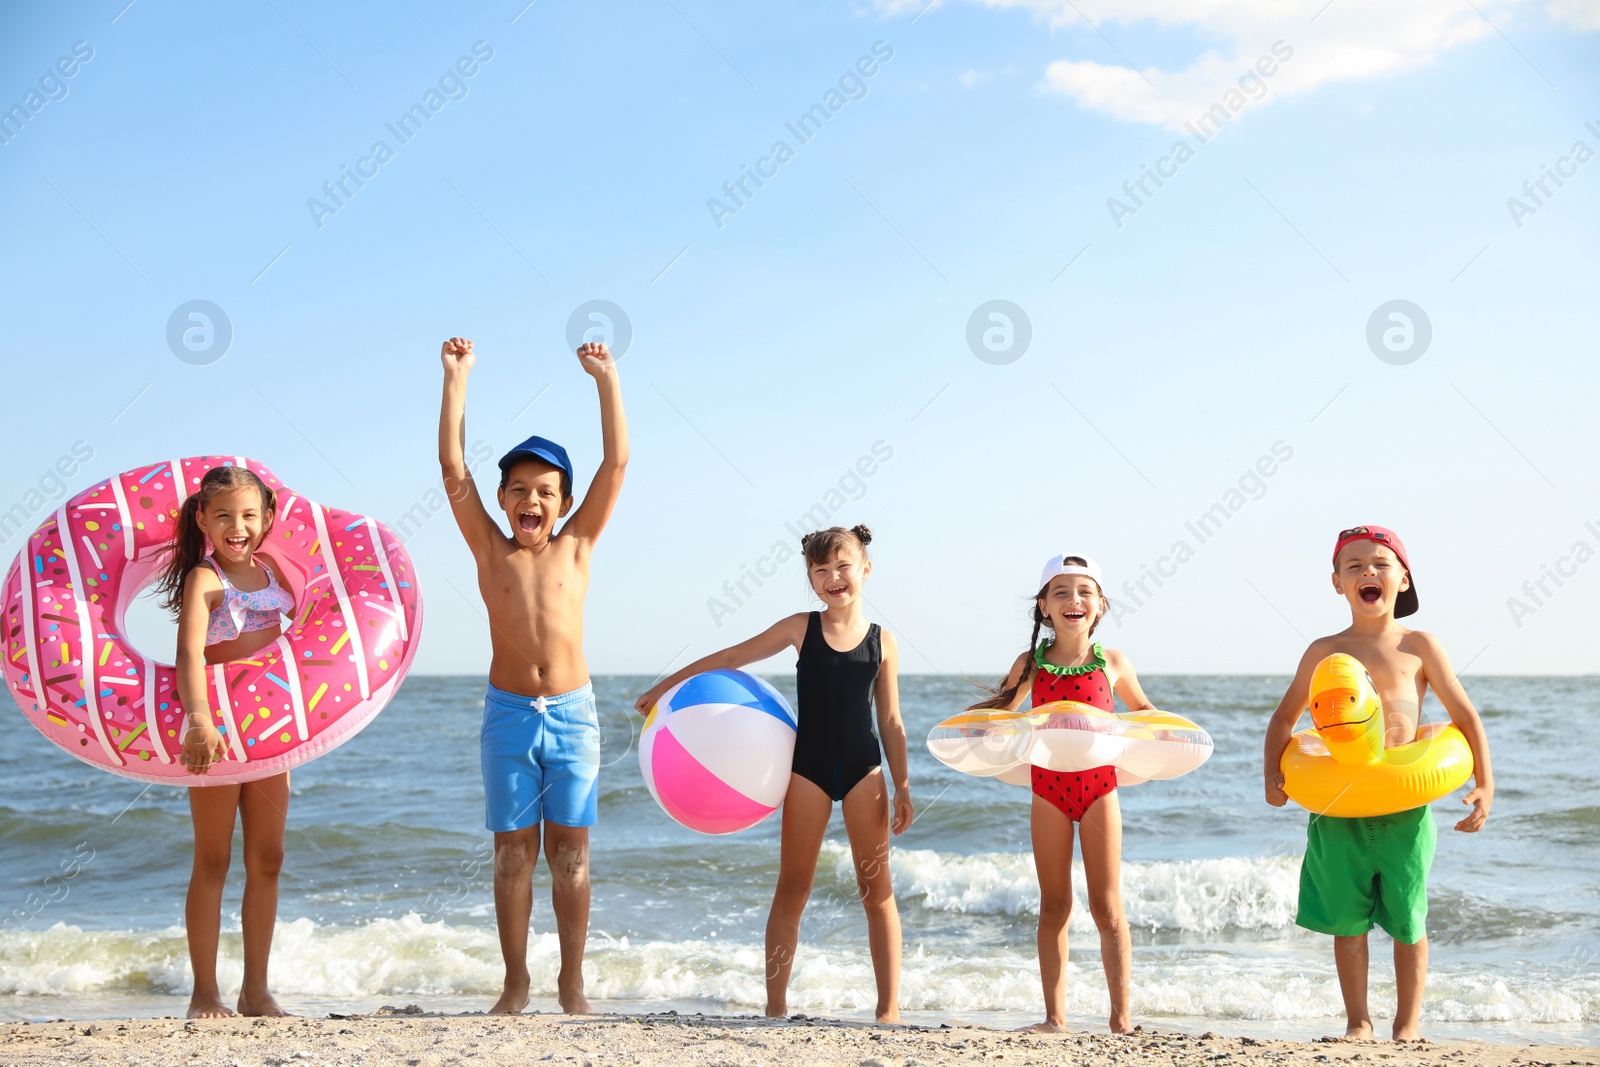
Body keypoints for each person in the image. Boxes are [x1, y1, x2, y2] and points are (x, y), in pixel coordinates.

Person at [634, 525, 914, 1023]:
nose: (833, 578)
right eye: (820, 570)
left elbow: (890, 721)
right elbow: (732, 657)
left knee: (878, 891)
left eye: (843, 566)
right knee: (793, 888)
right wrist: (667, 686)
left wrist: (903, 785)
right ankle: (775, 1007)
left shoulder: (883, 642)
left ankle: (888, 1010)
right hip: (806, 770)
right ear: (811, 578)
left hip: (864, 771)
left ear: (865, 569)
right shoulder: (800, 628)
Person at [438, 335, 628, 1015]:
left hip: (574, 716)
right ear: (502, 497)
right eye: (518, 489)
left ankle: (570, 981)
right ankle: (515, 981)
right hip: (510, 715)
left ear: (563, 502)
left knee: (570, 856)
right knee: (512, 856)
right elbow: (452, 468)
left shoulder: (577, 544)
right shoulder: (490, 548)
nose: (531, 500)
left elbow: (617, 460)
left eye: (545, 491)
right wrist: (457, 377)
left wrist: (605, 378)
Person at [1263, 526, 1493, 1042]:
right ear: (1337, 583)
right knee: (1348, 923)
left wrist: (1485, 784)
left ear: (1403, 578)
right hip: (1338, 806)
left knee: (1409, 919)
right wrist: (1272, 776)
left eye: (1381, 564)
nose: (1369, 572)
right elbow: (1283, 720)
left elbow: (1467, 718)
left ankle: (1407, 1024)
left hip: (1403, 807)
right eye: (1355, 565)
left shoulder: (1420, 646)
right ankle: (1358, 1022)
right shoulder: (1325, 650)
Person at [970, 554, 1152, 1034]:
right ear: (1044, 607)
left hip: (1100, 788)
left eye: (1084, 591)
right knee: (1055, 905)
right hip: (1048, 788)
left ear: (1101, 605)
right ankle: (1053, 1017)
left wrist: (1165, 738)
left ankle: (1121, 1017)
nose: (1074, 600)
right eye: (1062, 592)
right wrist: (973, 737)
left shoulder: (1113, 663)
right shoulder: (1031, 664)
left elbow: (1146, 713)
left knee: (1106, 905)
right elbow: (1004, 715)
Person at [154, 464, 297, 1019]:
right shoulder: (205, 580)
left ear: (265, 520)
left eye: (247, 515)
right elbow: (189, 652)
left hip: (270, 736)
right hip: (215, 733)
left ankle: (255, 990)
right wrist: (198, 719)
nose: (237, 527)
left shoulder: (276, 571)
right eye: (223, 517)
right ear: (203, 521)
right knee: (212, 860)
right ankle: (204, 992)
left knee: (268, 857)